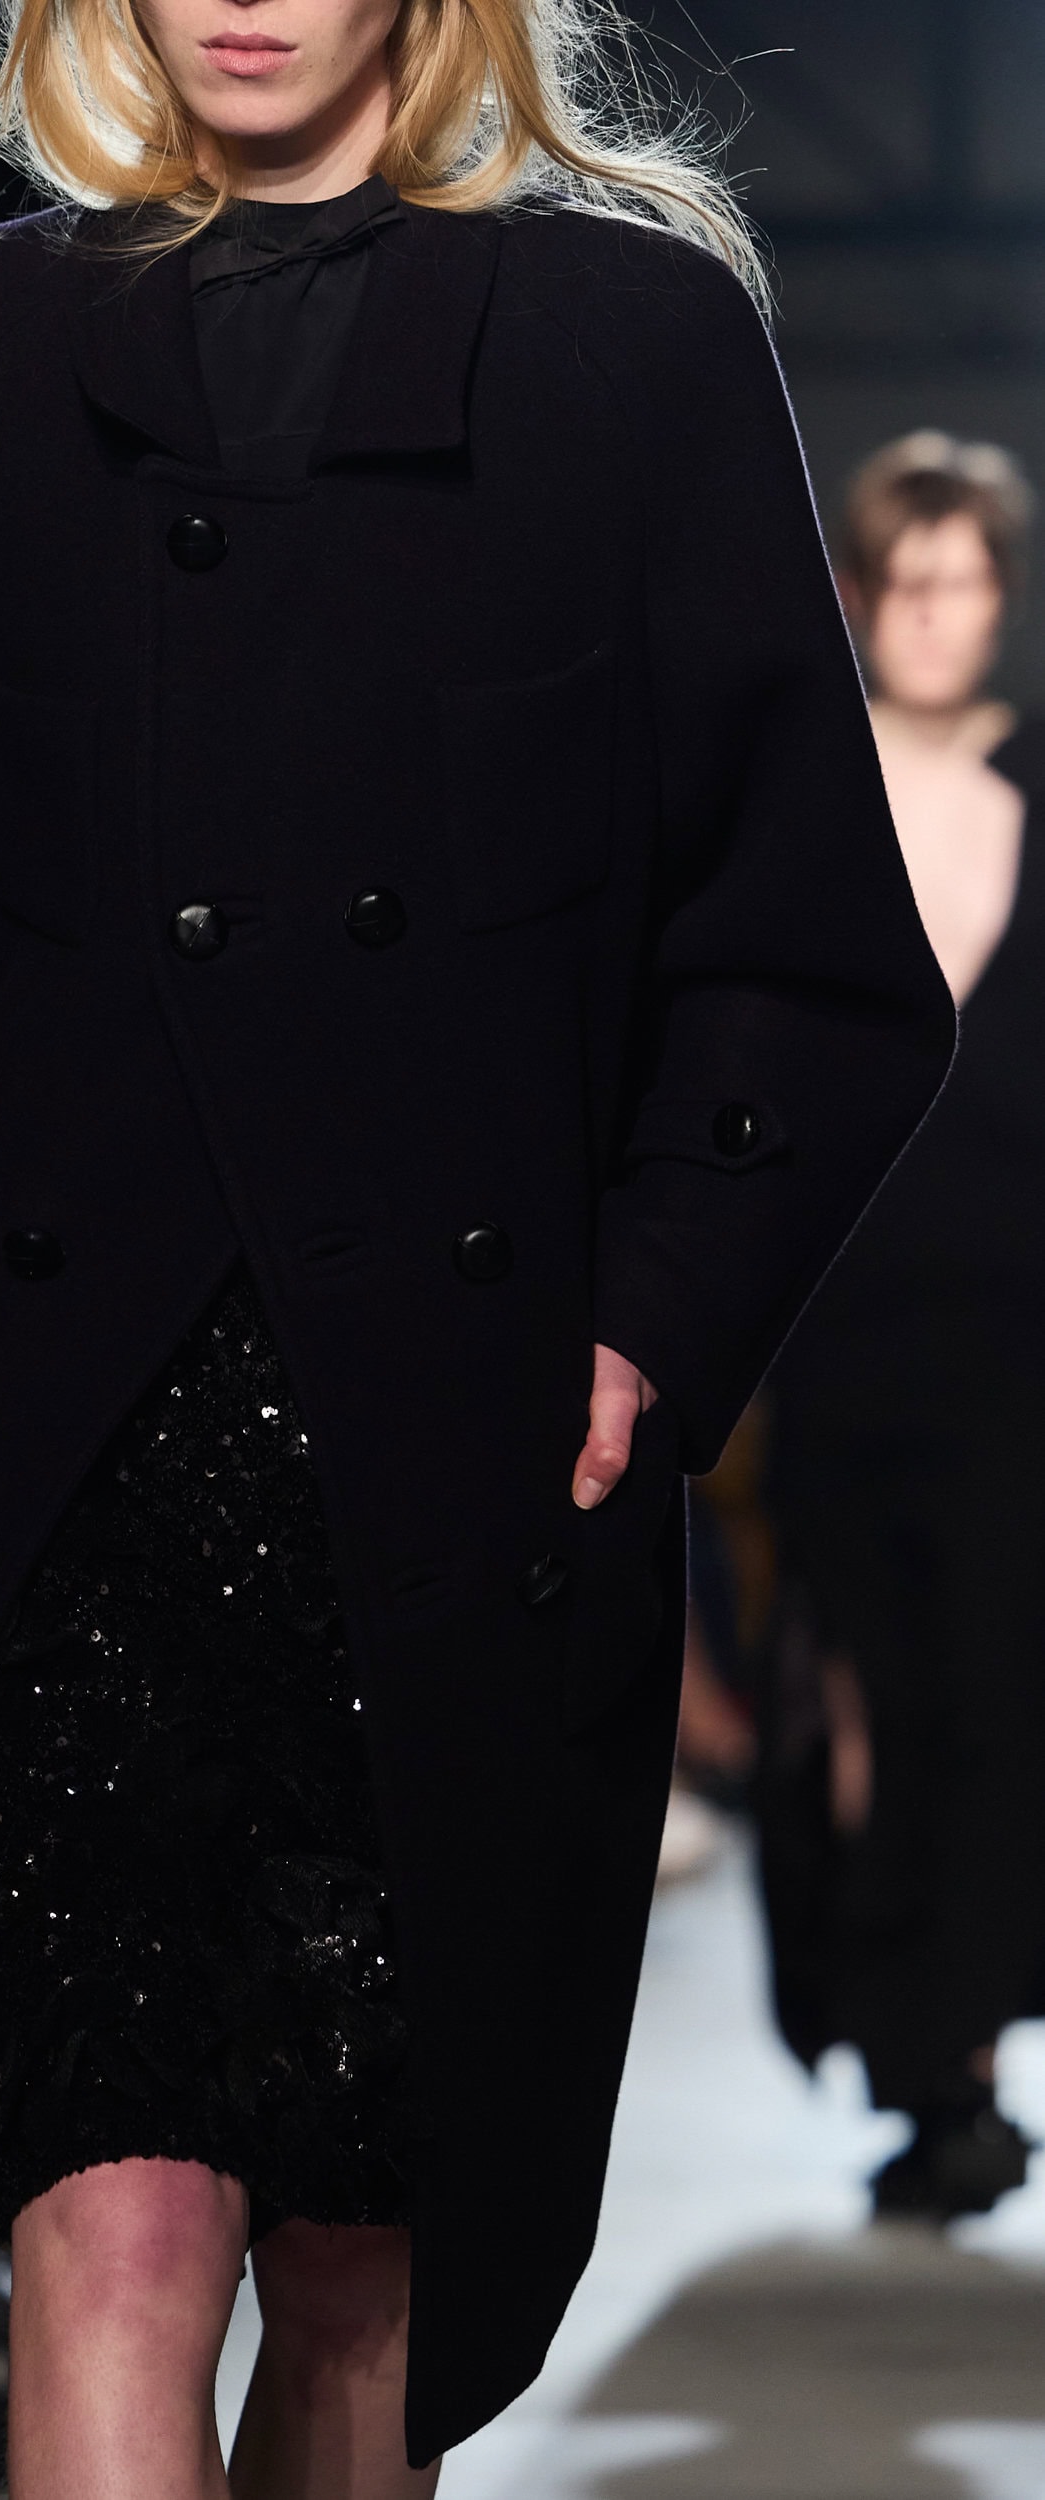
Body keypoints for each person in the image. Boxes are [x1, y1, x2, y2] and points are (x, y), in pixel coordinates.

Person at [0, 0, 954, 2488]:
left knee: (369, 2271)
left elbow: (809, 953)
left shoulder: (632, 347)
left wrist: (649, 1321)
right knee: (109, 2221)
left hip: (459, 1457)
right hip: (55, 1448)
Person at [760, 432, 1045, 2221]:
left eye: (968, 582)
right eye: (909, 583)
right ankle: (905, 2048)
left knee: (997, 1680)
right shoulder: (804, 796)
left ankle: (963, 2060)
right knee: (856, 1689)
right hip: (837, 1316)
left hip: (1022, 1332)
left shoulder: (1040, 788)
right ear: (862, 598)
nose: (939, 616)